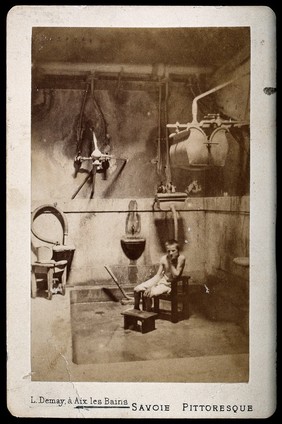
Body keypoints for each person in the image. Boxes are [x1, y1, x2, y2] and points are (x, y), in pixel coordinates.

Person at [134, 239, 186, 311]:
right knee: (136, 289)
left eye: (173, 251)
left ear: (178, 250)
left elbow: (176, 275)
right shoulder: (163, 259)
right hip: (161, 280)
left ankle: (148, 315)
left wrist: (170, 262)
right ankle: (136, 310)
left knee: (147, 294)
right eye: (168, 251)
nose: (170, 253)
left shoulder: (181, 258)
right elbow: (158, 275)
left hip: (169, 285)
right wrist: (151, 286)